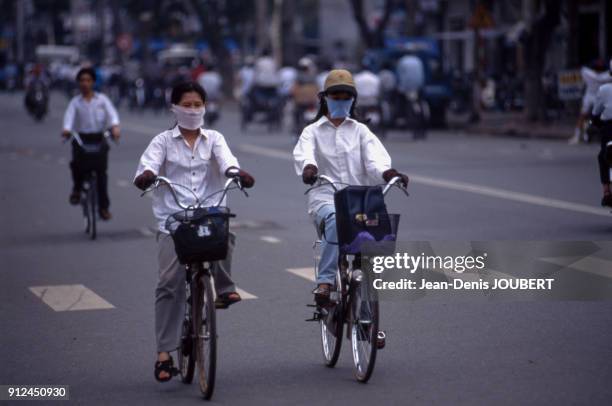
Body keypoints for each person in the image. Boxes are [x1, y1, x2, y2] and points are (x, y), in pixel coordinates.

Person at [133, 81, 255, 382]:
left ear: (205, 107)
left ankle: (224, 290)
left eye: (197, 104)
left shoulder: (214, 138)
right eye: (186, 105)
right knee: (169, 283)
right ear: (174, 107)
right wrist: (147, 176)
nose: (192, 110)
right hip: (172, 222)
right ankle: (164, 354)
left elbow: (228, 163)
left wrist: (236, 174)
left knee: (227, 236)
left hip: (208, 215)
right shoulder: (162, 141)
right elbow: (145, 168)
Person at [292, 69, 408, 304]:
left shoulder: (361, 131)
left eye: (346, 97)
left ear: (353, 99)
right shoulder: (311, 132)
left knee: (375, 247)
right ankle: (324, 282)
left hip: (361, 201)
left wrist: (388, 173)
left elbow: (375, 160)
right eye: (336, 96)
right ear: (324, 98)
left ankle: (366, 323)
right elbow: (305, 155)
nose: (341, 101)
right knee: (336, 219)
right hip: (325, 199)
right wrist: (309, 169)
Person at [62, 67, 120, 220]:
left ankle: (103, 208)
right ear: (78, 83)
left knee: (101, 174)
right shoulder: (75, 102)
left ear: (93, 82)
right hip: (82, 138)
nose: (85, 83)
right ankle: (76, 189)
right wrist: (67, 130)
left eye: (88, 80)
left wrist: (115, 128)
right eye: (82, 81)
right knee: (76, 165)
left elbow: (112, 115)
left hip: (99, 138)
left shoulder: (102, 100)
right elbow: (69, 118)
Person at [570, 59, 612, 145]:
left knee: (586, 116)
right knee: (583, 116)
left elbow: (585, 70)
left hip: (597, 96)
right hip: (592, 96)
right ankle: (578, 135)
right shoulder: (606, 76)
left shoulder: (587, 73)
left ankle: (579, 135)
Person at [592, 60, 612, 207]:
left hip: (609, 129)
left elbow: (595, 113)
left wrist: (596, 124)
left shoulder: (604, 89)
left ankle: (606, 191)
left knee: (603, 156)